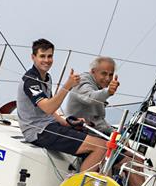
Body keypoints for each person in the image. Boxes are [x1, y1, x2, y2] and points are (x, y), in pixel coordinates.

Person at [17, 39, 106, 173]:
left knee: (106, 143)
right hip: (38, 131)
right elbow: (48, 107)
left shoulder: (47, 77)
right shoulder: (30, 81)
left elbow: (49, 110)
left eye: (50, 56)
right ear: (33, 57)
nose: (47, 60)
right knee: (100, 148)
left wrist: (65, 123)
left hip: (50, 125)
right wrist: (67, 86)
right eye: (42, 56)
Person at [67, 56, 119, 135]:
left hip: (90, 130)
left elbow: (99, 121)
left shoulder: (97, 86)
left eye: (110, 75)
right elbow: (89, 97)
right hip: (77, 132)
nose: (108, 78)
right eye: (104, 73)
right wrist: (108, 92)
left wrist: (116, 133)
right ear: (93, 71)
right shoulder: (82, 81)